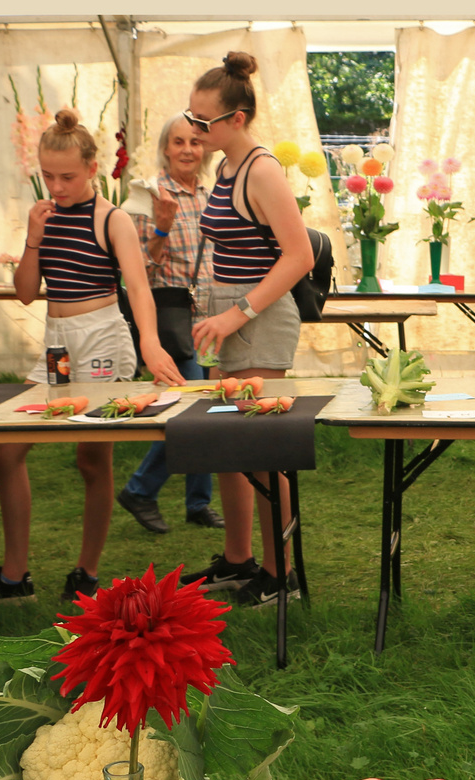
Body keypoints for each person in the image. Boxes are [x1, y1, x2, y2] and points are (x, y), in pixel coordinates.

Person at [0, 109, 181, 603]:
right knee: (4, 446)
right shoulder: (44, 216)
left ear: (93, 168)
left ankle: (86, 573)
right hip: (56, 340)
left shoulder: (112, 219)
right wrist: (32, 237)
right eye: (48, 176)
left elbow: (138, 286)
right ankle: (14, 575)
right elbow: (26, 293)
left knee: (92, 458)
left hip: (102, 337)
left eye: (66, 176)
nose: (57, 185)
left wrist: (151, 345)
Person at [174, 52, 317, 606]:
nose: (193, 130)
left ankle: (283, 575)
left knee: (262, 448)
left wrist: (239, 313)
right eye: (190, 117)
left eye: (202, 122)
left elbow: (299, 255)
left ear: (237, 119)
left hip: (260, 313)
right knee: (228, 444)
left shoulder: (261, 169)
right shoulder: (224, 166)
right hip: (228, 310)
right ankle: (238, 559)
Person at [116, 113, 222, 535]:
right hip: (172, 317)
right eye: (178, 142)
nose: (187, 150)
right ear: (165, 148)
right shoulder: (146, 194)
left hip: (210, 317)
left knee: (210, 407)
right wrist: (161, 224)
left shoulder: (214, 194)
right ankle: (140, 489)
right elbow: (140, 265)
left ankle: (198, 502)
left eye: (194, 143)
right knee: (191, 409)